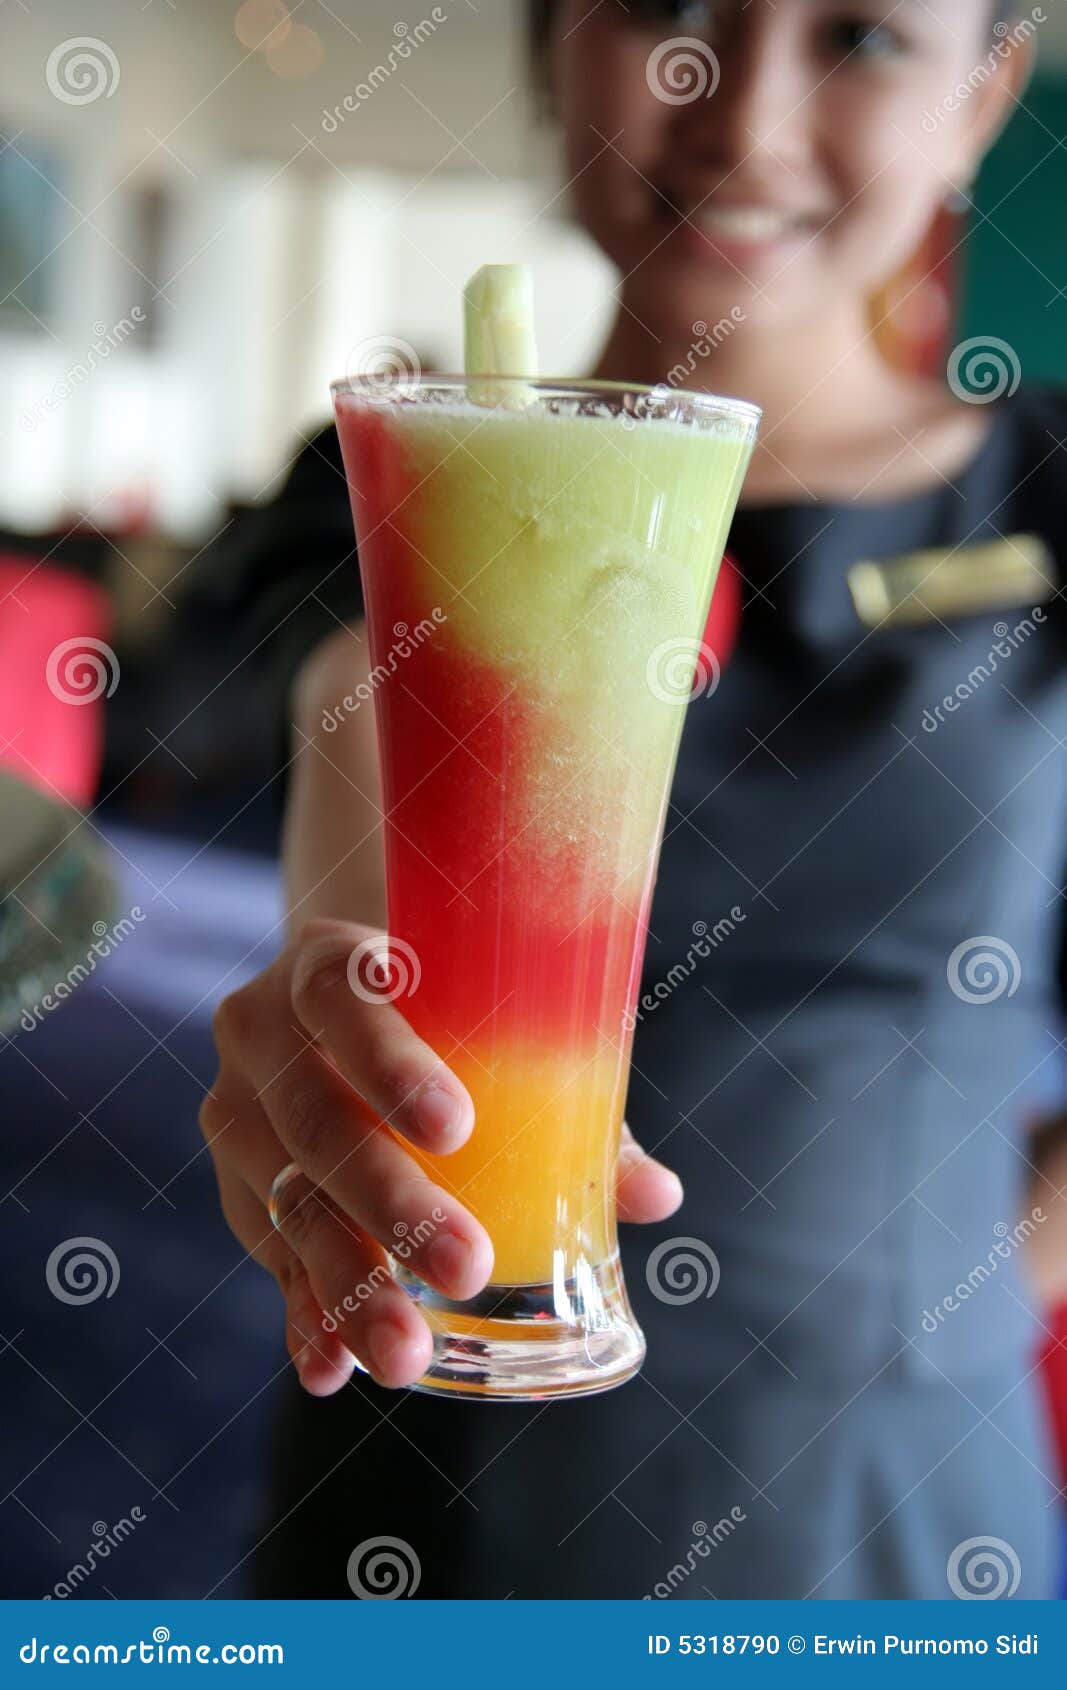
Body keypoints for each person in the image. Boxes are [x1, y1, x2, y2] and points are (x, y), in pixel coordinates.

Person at [200, 0, 1067, 1598]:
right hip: (425, 1428)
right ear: (549, 47)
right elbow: (358, 721)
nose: (741, 119)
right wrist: (341, 1020)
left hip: (874, 1501)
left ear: (983, 92)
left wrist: (932, 1282)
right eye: (666, 9)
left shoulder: (1053, 506)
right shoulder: (380, 478)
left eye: (864, 37)